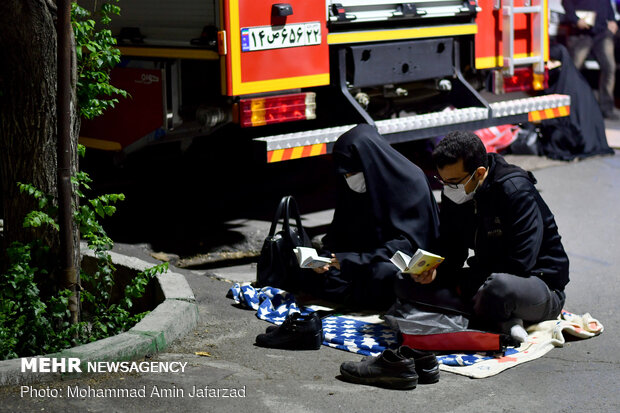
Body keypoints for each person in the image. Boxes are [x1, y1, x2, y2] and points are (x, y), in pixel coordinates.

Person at [401, 131, 569, 340]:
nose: (448, 189)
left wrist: (466, 284)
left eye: (453, 182)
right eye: (443, 181)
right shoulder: (456, 190)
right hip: (482, 277)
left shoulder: (515, 191)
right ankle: (501, 321)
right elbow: (450, 245)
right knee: (406, 284)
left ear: (479, 173)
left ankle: (485, 314)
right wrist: (433, 271)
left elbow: (521, 263)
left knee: (497, 290)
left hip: (536, 284)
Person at [298, 124, 440, 310]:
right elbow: (340, 232)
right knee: (311, 273)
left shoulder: (410, 182)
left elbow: (407, 246)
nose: (349, 179)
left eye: (352, 173)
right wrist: (325, 259)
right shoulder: (353, 187)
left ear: (369, 162)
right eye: (345, 174)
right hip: (362, 259)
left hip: (396, 262)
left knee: (383, 274)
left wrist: (352, 260)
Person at [562, 0, 619, 119]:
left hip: (602, 32)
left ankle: (606, 108)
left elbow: (606, 3)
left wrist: (612, 19)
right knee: (573, 70)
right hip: (581, 33)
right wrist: (576, 20)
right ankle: (568, 106)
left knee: (609, 68)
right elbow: (566, 2)